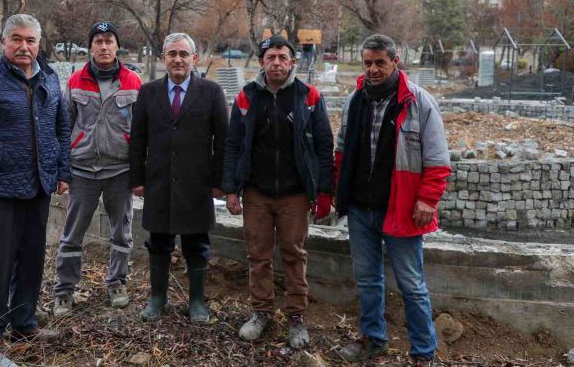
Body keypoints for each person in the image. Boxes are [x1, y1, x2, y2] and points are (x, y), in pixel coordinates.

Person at [0, 14, 71, 348]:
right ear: (3, 41)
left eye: (31, 40)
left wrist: (62, 171)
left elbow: (61, 126)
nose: (24, 46)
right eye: (16, 39)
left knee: (32, 258)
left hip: (38, 185)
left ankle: (24, 324)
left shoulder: (49, 77)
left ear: (39, 43)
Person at [334, 34, 450, 365]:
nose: (373, 69)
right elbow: (342, 152)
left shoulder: (419, 102)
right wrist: (335, 192)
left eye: (380, 63)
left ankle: (424, 353)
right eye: (367, 63)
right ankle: (373, 339)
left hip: (401, 210)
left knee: (412, 286)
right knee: (368, 281)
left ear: (395, 62)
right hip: (360, 209)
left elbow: (439, 160)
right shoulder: (355, 100)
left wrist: (427, 200)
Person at [222, 35, 334, 349]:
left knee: (294, 255)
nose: (276, 63)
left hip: (295, 194)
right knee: (258, 256)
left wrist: (323, 191)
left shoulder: (308, 96)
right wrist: (231, 189)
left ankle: (296, 318)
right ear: (261, 62)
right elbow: (233, 144)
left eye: (283, 57)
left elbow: (324, 145)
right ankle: (260, 312)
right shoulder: (247, 97)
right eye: (270, 57)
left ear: (292, 62)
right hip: (256, 192)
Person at [128, 33, 228, 324]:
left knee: (197, 244)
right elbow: (138, 140)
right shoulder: (148, 93)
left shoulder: (211, 92)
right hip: (158, 181)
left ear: (194, 58)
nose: (178, 59)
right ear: (163, 59)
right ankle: (158, 297)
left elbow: (222, 141)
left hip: (196, 183)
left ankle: (197, 301)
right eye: (172, 54)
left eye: (184, 54)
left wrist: (220, 181)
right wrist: (137, 178)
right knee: (158, 242)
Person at [53, 21, 142, 316]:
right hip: (82, 170)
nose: (104, 46)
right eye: (98, 41)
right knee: (72, 233)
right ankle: (64, 290)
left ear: (117, 46)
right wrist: (62, 170)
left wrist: (140, 172)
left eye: (109, 41)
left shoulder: (133, 81)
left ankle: (117, 283)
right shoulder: (76, 80)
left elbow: (143, 131)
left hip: (120, 170)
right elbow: (64, 126)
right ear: (90, 46)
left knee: (122, 233)